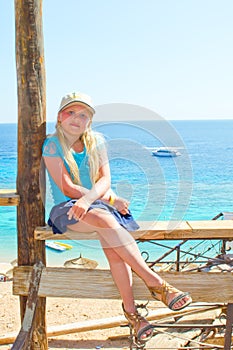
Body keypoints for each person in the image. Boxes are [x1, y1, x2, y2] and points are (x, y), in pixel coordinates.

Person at [42, 92, 192, 345]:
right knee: (106, 220)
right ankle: (155, 282)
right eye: (71, 112)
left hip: (95, 205)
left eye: (83, 115)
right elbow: (66, 187)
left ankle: (133, 315)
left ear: (89, 121)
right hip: (67, 209)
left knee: (114, 250)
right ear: (59, 116)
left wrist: (99, 200)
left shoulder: (97, 141)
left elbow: (105, 180)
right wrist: (104, 201)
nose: (76, 118)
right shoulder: (52, 145)